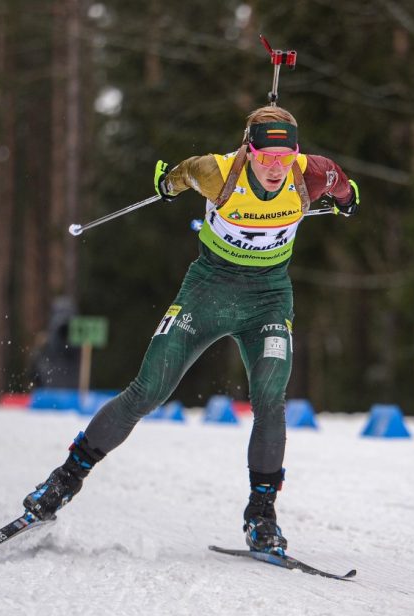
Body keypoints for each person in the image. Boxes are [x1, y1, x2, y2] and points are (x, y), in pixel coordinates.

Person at [21, 105, 359, 556]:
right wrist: (164, 185)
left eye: (285, 155)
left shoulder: (311, 174)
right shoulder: (216, 172)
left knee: (270, 399)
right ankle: (62, 482)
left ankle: (262, 516)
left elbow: (346, 187)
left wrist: (345, 200)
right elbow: (176, 175)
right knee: (147, 390)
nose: (276, 166)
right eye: (265, 155)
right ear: (249, 148)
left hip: (268, 302)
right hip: (207, 294)